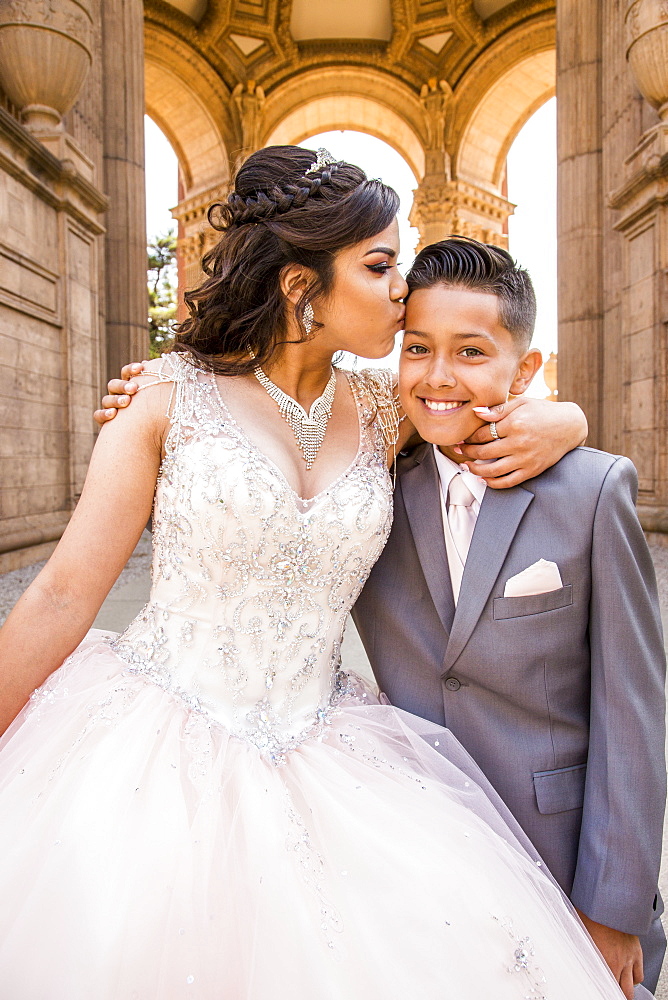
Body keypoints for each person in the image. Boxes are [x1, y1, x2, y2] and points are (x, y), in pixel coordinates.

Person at [0, 147, 627, 999]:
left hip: (330, 747)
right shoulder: (162, 399)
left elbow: (491, 396)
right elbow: (65, 591)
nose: (402, 287)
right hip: (151, 743)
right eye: (378, 265)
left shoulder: (382, 410)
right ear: (302, 287)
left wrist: (566, 417)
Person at [350, 237, 667, 999]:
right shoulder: (364, 491)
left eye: (470, 351)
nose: (437, 376)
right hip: (414, 853)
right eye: (417, 348)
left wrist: (614, 905)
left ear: (525, 371)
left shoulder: (590, 492)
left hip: (554, 857)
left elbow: (632, 708)